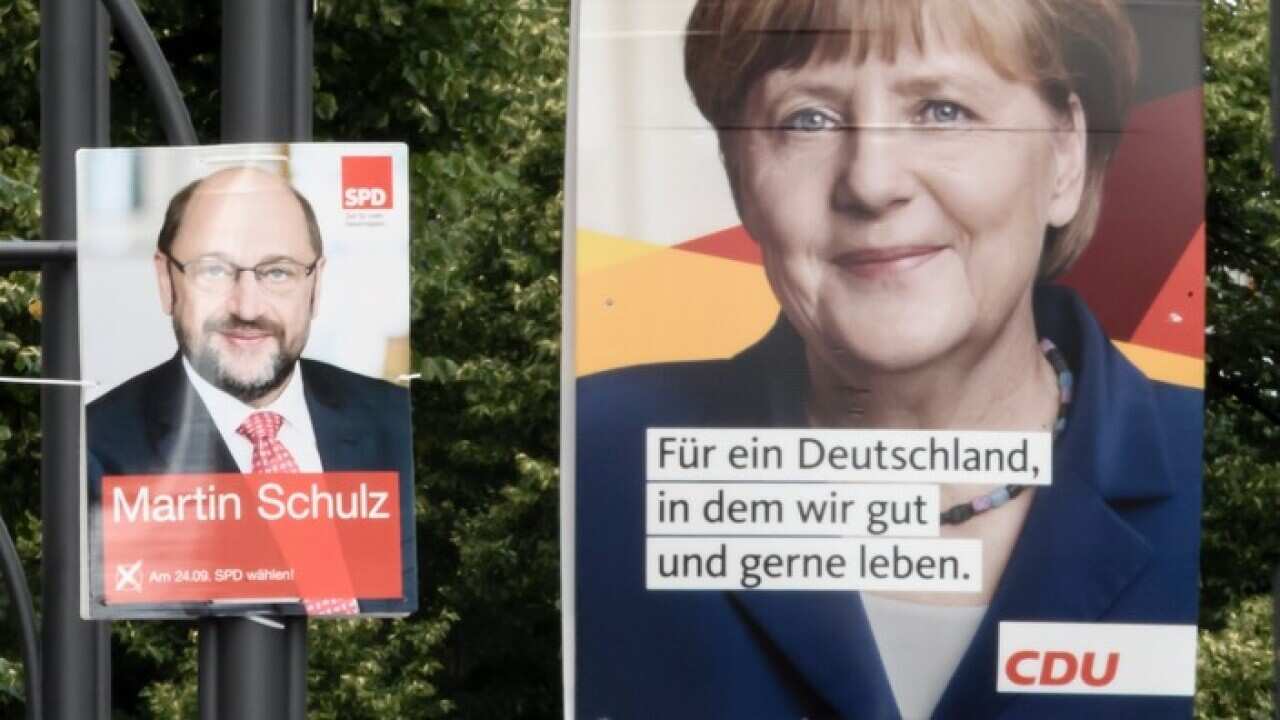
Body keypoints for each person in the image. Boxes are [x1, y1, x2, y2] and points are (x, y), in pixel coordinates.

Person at [575, 0, 1201, 717]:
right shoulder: (600, 461)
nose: (871, 182)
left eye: (942, 110)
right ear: (739, 175)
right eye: (806, 119)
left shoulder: (1210, 470)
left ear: (1063, 154)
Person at [87, 167, 414, 617]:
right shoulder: (96, 449)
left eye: (277, 272)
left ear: (315, 285)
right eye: (214, 270)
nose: (247, 307)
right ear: (167, 281)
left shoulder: (395, 421)